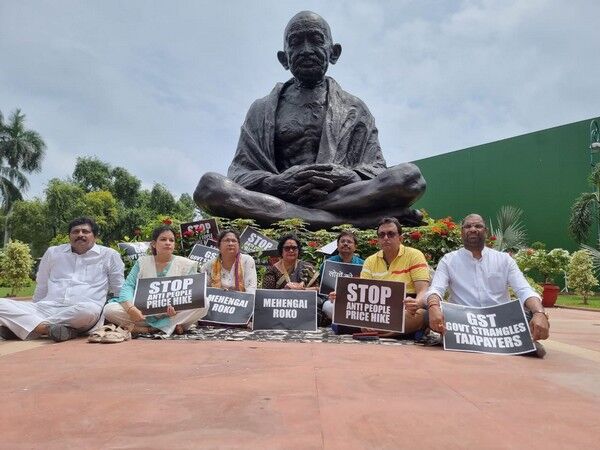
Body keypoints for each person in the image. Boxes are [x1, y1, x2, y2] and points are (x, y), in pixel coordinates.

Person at [194, 10, 425, 230]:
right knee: (210, 187)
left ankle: (299, 215)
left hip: (338, 196)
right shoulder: (261, 109)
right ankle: (357, 222)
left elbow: (376, 169)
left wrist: (348, 176)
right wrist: (277, 183)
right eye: (295, 42)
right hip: (278, 195)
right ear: (284, 58)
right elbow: (240, 173)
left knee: (409, 177)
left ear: (333, 52)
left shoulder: (355, 108)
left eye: (315, 39)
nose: (306, 50)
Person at [426, 214, 550, 354]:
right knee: (428, 313)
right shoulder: (448, 260)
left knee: (532, 315)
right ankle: (522, 344)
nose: (473, 229)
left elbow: (524, 290)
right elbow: (436, 289)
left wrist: (539, 313)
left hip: (500, 323)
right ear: (462, 232)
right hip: (464, 322)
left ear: (486, 231)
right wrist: (433, 306)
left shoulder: (504, 260)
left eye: (478, 226)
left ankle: (515, 342)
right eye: (468, 226)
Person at [0, 217, 124, 342]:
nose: (80, 234)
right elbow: (42, 284)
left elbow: (118, 289)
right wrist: (36, 308)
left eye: (85, 231)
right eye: (75, 232)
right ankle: (47, 330)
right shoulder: (53, 253)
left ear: (95, 236)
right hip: (46, 308)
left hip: (81, 311)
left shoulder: (109, 255)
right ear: (69, 236)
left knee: (88, 310)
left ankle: (26, 326)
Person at [104, 225, 206, 336]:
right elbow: (128, 286)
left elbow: (191, 294)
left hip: (173, 313)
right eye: (163, 239)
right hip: (143, 313)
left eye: (171, 240)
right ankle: (169, 326)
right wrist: (131, 309)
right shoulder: (142, 262)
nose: (168, 243)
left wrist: (178, 309)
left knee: (205, 303)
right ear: (153, 243)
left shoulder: (186, 264)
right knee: (109, 309)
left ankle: (149, 328)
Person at [357, 217, 430, 336]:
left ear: (400, 238)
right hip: (377, 310)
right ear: (378, 239)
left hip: (406, 308)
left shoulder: (415, 255)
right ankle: (388, 331)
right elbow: (363, 297)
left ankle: (377, 332)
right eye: (382, 235)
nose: (386, 238)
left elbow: (423, 290)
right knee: (336, 311)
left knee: (422, 315)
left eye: (391, 234)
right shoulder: (370, 261)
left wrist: (416, 303)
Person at [321, 230, 364, 320]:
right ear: (337, 246)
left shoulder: (363, 265)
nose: (345, 244)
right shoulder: (328, 263)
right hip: (333, 301)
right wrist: (329, 296)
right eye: (342, 241)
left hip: (356, 302)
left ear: (355, 247)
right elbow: (322, 288)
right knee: (328, 306)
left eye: (349, 242)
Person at [201, 229, 257, 293]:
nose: (230, 243)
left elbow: (251, 289)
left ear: (238, 245)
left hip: (241, 300)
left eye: (234, 241)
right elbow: (203, 290)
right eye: (227, 240)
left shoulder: (247, 261)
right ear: (219, 246)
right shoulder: (208, 265)